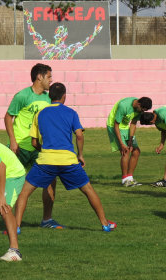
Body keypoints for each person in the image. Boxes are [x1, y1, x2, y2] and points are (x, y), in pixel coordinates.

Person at [14, 83, 116, 232]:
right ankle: (105, 224)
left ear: (49, 97)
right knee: (88, 189)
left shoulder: (40, 113)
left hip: (46, 160)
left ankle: (16, 227)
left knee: (24, 193)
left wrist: (45, 151)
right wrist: (80, 155)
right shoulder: (71, 112)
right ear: (64, 96)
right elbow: (79, 136)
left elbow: (34, 142)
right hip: (68, 160)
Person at [4, 63, 62, 230]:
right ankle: (6, 220)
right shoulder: (22, 96)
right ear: (39, 77)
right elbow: (8, 117)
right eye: (49, 77)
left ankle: (47, 220)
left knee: (51, 181)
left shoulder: (48, 98)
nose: (51, 80)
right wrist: (13, 141)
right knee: (12, 183)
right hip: (20, 147)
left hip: (40, 148)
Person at [106, 96, 152, 187]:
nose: (142, 112)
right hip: (115, 127)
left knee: (136, 151)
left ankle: (130, 178)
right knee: (125, 152)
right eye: (142, 109)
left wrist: (130, 141)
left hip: (125, 127)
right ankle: (124, 180)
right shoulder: (124, 106)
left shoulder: (139, 109)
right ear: (138, 104)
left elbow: (133, 123)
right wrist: (122, 144)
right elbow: (116, 125)